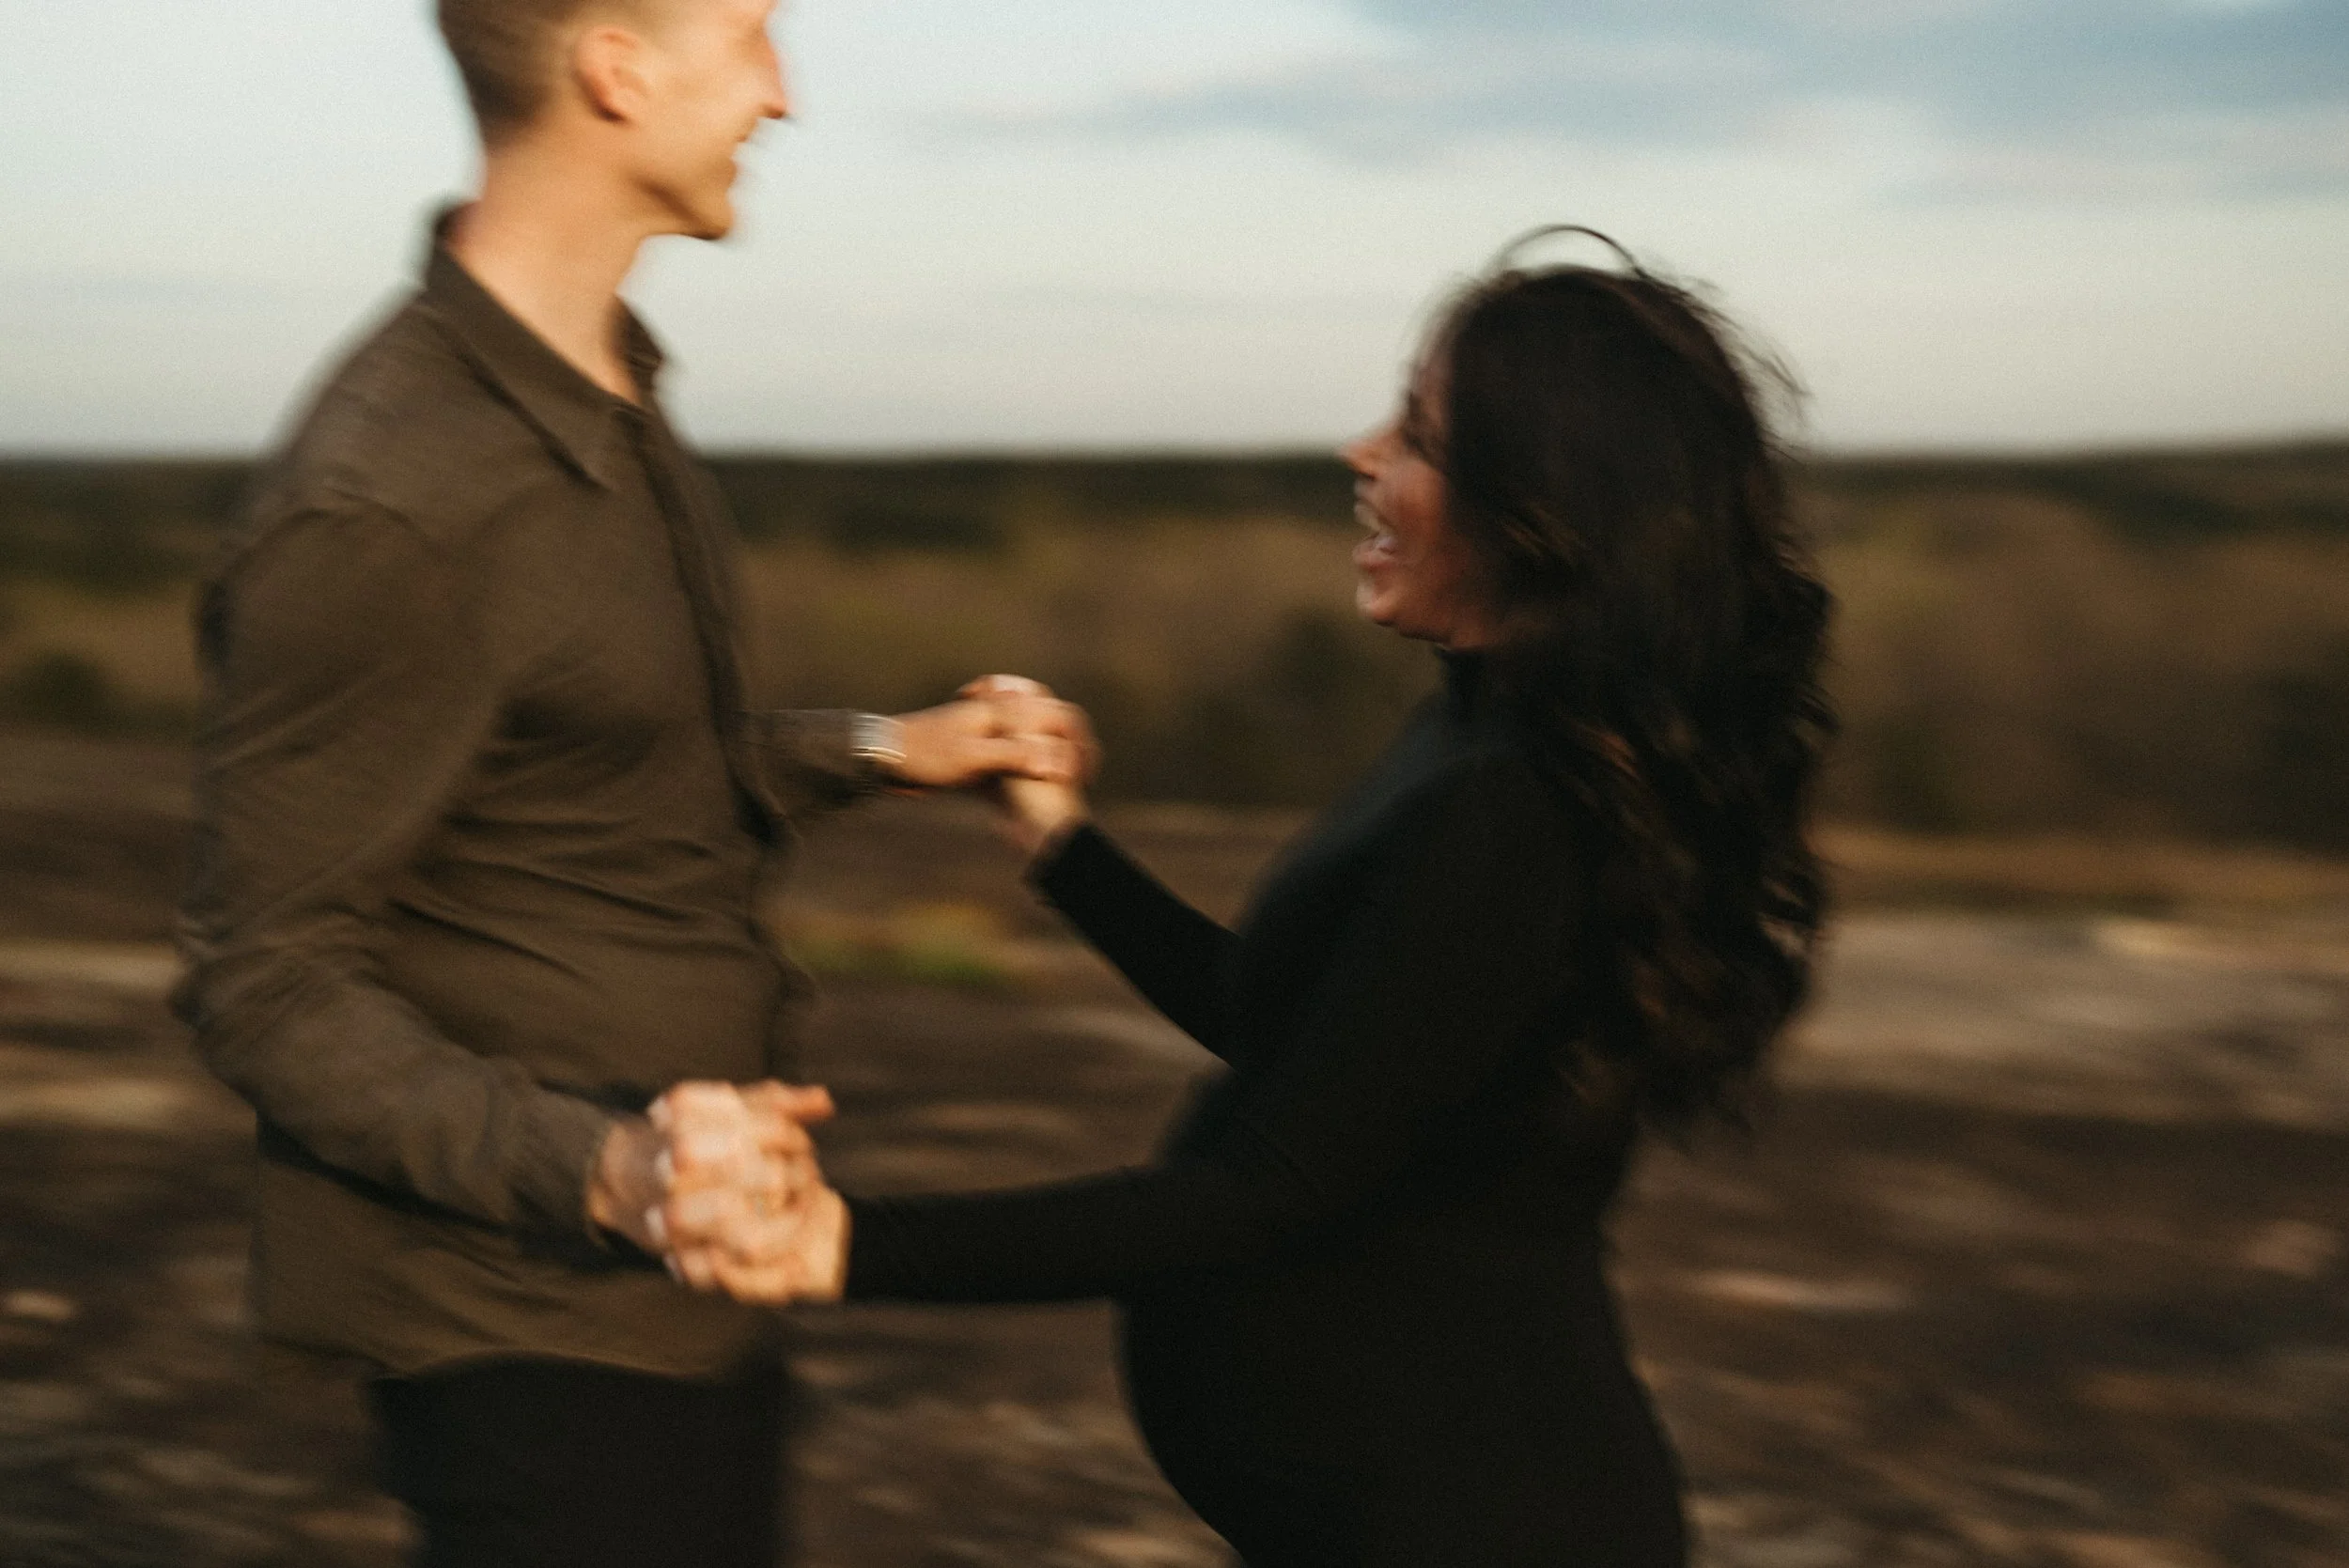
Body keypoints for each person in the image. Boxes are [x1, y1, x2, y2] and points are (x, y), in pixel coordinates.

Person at [657, 234, 1838, 1566]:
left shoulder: (1519, 808)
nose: (1362, 454)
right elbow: (1301, 1033)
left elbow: (1263, 1187)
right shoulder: (1483, 728)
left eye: (1422, 437)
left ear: (1540, 506)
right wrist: (1059, 846)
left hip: (1480, 1516)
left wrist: (846, 1245)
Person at [172, 2, 1091, 1564]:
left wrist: (886, 749)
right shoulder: (390, 500)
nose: (784, 97)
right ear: (616, 67)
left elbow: (621, 766)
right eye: (750, 38)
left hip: (684, 1288)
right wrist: (611, 1169)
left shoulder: (602, 384)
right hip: (525, 1326)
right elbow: (264, 982)